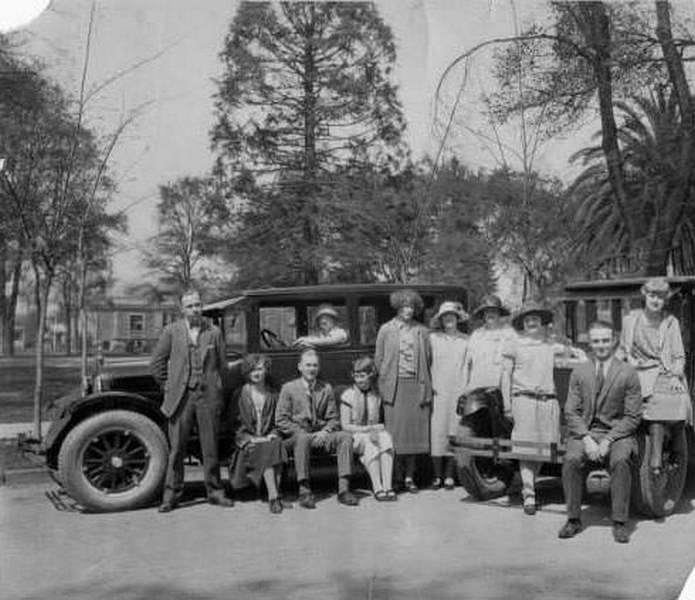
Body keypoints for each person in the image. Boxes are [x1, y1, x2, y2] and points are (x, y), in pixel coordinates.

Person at [150, 287, 233, 512]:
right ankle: (172, 495)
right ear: (182, 309)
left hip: (208, 397)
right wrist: (170, 386)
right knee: (177, 448)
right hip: (181, 397)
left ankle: (215, 492)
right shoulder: (172, 331)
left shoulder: (214, 331)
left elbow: (222, 366)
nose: (195, 309)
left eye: (197, 304)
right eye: (190, 306)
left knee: (210, 447)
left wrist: (217, 391)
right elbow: (157, 363)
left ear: (201, 306)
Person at [559, 320, 642, 544]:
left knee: (621, 461)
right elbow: (571, 411)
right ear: (590, 343)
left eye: (605, 340)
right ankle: (573, 519)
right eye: (596, 341)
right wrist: (586, 438)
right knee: (571, 459)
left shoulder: (628, 372)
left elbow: (633, 416)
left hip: (617, 433)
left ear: (613, 341)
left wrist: (608, 440)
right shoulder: (579, 371)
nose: (601, 345)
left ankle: (620, 521)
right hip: (585, 431)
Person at [501, 299, 584, 515]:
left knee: (544, 449)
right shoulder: (513, 345)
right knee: (526, 449)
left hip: (548, 401)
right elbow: (505, 376)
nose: (531, 323)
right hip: (523, 399)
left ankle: (532, 486)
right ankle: (529, 494)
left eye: (535, 319)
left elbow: (574, 353)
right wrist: (507, 404)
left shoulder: (550, 346)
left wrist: (579, 354)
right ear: (522, 323)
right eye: (527, 319)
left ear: (542, 322)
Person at [616, 277, 690, 475]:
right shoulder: (631, 320)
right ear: (645, 294)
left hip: (665, 372)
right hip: (637, 372)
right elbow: (622, 351)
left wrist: (676, 375)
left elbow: (678, 355)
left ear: (665, 299)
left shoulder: (670, 322)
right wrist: (624, 362)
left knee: (676, 396)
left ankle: (673, 450)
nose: (656, 300)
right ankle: (653, 456)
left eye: (660, 296)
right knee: (650, 399)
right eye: (652, 295)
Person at [275, 348, 358, 508]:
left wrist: (325, 431)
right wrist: (302, 432)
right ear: (300, 367)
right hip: (297, 438)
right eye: (308, 365)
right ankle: (305, 491)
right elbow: (281, 420)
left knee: (345, 437)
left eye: (315, 365)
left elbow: (333, 418)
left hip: (320, 435)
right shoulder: (288, 388)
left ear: (318, 368)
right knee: (303, 438)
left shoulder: (325, 388)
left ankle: (344, 490)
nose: (311, 369)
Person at [375, 288, 432, 493]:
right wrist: (384, 381)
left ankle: (409, 477)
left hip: (416, 386)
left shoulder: (422, 331)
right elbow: (379, 359)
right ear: (398, 307)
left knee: (414, 437)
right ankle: (396, 477)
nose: (408, 310)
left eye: (412, 306)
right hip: (394, 388)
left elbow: (428, 358)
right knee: (395, 436)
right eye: (404, 306)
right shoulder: (386, 329)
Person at [228, 354, 287, 514]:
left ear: (266, 371)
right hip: (248, 441)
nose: (257, 373)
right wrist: (248, 438)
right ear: (247, 372)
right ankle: (275, 497)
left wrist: (274, 433)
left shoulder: (274, 394)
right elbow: (234, 423)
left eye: (260, 369)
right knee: (267, 448)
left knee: (275, 443)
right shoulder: (240, 394)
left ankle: (274, 495)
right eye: (253, 369)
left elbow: (279, 420)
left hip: (268, 437)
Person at [339, 357, 397, 501]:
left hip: (373, 433)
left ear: (370, 375)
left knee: (386, 439)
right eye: (357, 376)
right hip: (355, 436)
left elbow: (381, 421)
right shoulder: (348, 395)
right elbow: (345, 426)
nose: (359, 380)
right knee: (370, 442)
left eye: (363, 376)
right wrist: (368, 429)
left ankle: (388, 486)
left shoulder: (376, 395)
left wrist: (376, 430)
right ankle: (377, 487)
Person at [429, 300, 469, 490]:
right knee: (437, 433)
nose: (449, 319)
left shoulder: (466, 340)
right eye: (445, 317)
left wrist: (466, 390)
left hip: (458, 392)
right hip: (438, 391)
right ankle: (437, 475)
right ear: (441, 320)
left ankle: (450, 475)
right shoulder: (433, 339)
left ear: (458, 318)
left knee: (454, 431)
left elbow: (470, 367)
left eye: (452, 316)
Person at [463, 294, 517, 393]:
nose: (490, 314)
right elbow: (467, 364)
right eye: (487, 311)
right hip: (477, 388)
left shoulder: (510, 333)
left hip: (501, 390)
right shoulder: (476, 335)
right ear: (483, 314)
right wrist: (465, 387)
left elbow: (518, 363)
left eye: (494, 311)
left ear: (499, 313)